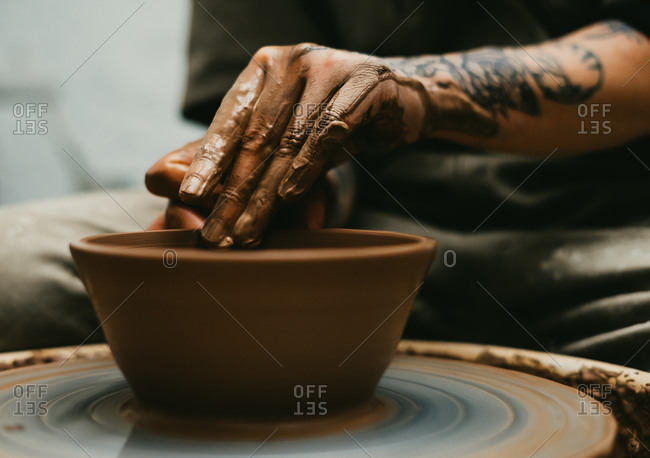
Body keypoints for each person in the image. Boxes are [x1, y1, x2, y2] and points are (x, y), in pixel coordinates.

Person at [2, 0, 650, 369]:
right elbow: (274, 110)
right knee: (14, 270)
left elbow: (636, 66)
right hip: (365, 228)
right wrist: (265, 198)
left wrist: (408, 89)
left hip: (602, 236)